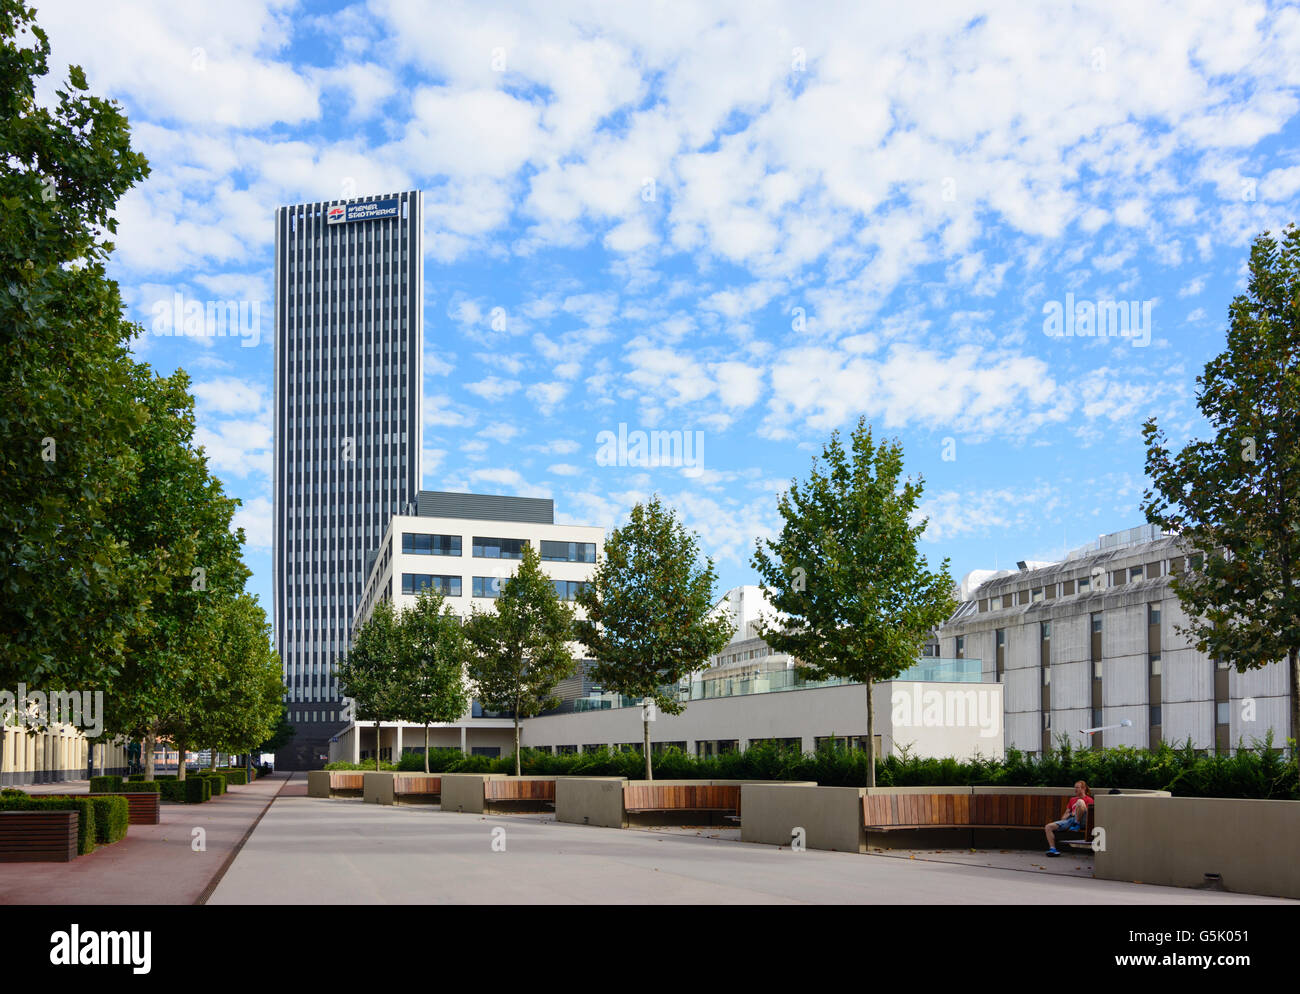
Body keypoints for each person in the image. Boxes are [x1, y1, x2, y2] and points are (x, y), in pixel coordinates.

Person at [1044, 780, 1093, 856]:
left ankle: (1077, 824)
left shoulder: (1089, 799)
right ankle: (1053, 849)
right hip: (1071, 820)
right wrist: (1067, 817)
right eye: (1075, 787)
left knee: (1080, 801)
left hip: (1083, 820)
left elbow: (1090, 814)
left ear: (1083, 788)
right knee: (1048, 827)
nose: (1075, 789)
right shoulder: (1072, 799)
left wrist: (1078, 811)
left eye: (1077, 787)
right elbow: (1065, 815)